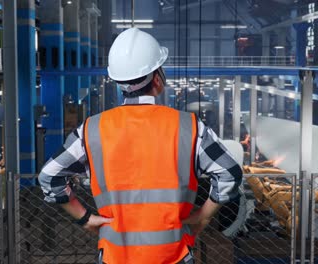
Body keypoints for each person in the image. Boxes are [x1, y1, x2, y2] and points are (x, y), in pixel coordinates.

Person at [38, 28, 242, 264]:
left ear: (118, 81)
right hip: (173, 256)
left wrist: (85, 219)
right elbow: (229, 173)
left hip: (116, 257)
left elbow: (49, 176)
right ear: (157, 78)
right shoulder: (190, 127)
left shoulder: (90, 130)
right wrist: (201, 218)